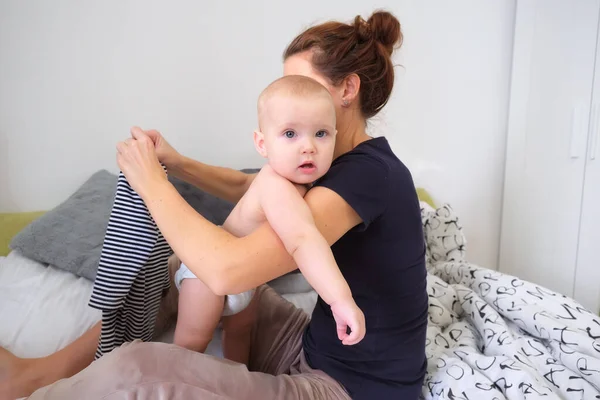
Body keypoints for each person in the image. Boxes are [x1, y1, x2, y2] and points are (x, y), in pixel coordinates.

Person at [0, 10, 428, 400]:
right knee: (172, 272)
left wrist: (151, 183)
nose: (292, 100)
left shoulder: (369, 174)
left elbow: (226, 270)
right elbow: (257, 189)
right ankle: (42, 373)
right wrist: (178, 163)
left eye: (304, 87)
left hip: (350, 388)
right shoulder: (327, 158)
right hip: (314, 346)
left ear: (347, 89)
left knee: (139, 369)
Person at [173, 74, 366, 363]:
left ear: (335, 137)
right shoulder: (274, 184)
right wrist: (340, 299)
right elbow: (302, 239)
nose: (308, 146)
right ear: (262, 144)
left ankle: (237, 379)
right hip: (207, 276)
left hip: (249, 280)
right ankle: (171, 382)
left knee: (241, 332)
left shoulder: (318, 185)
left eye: (321, 133)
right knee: (191, 342)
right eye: (290, 134)